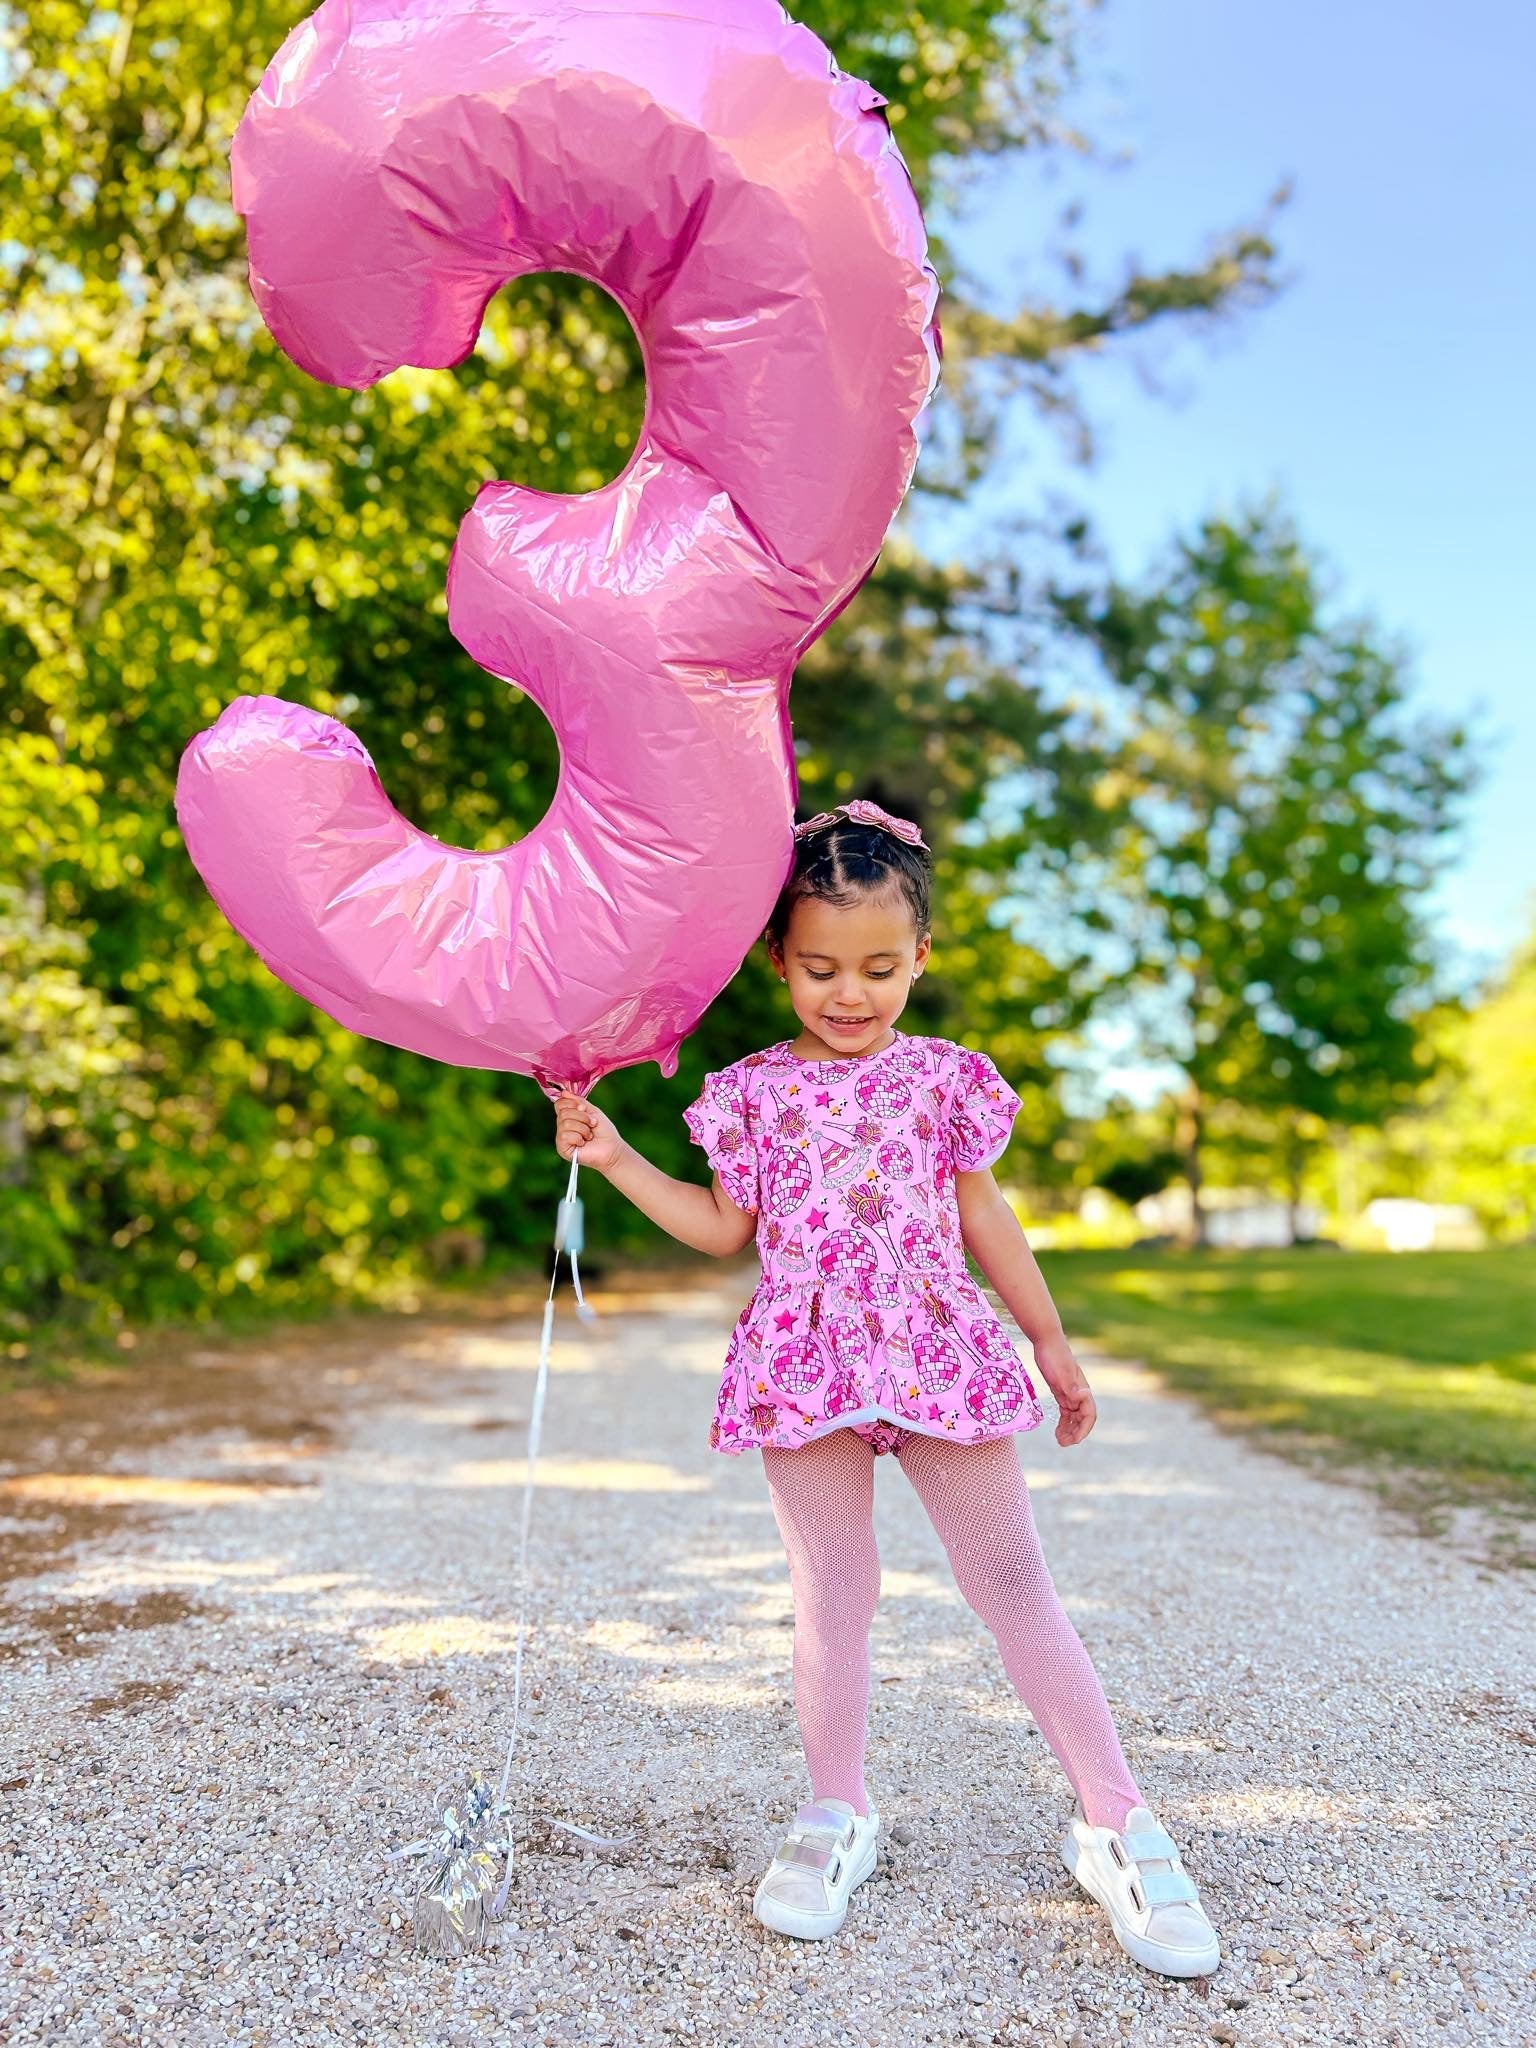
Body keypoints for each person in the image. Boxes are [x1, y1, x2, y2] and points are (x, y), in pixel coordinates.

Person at [553, 798, 1219, 1978]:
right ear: (777, 959)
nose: (847, 993)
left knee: (1013, 1580)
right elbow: (720, 1229)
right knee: (831, 1591)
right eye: (818, 967)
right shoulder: (754, 1088)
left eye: (876, 966)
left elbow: (985, 1215)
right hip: (804, 1362)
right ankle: (834, 1808)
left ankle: (1116, 1815)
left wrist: (1050, 1342)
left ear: (920, 956)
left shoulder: (944, 1078)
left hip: (937, 1350)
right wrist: (613, 1155)